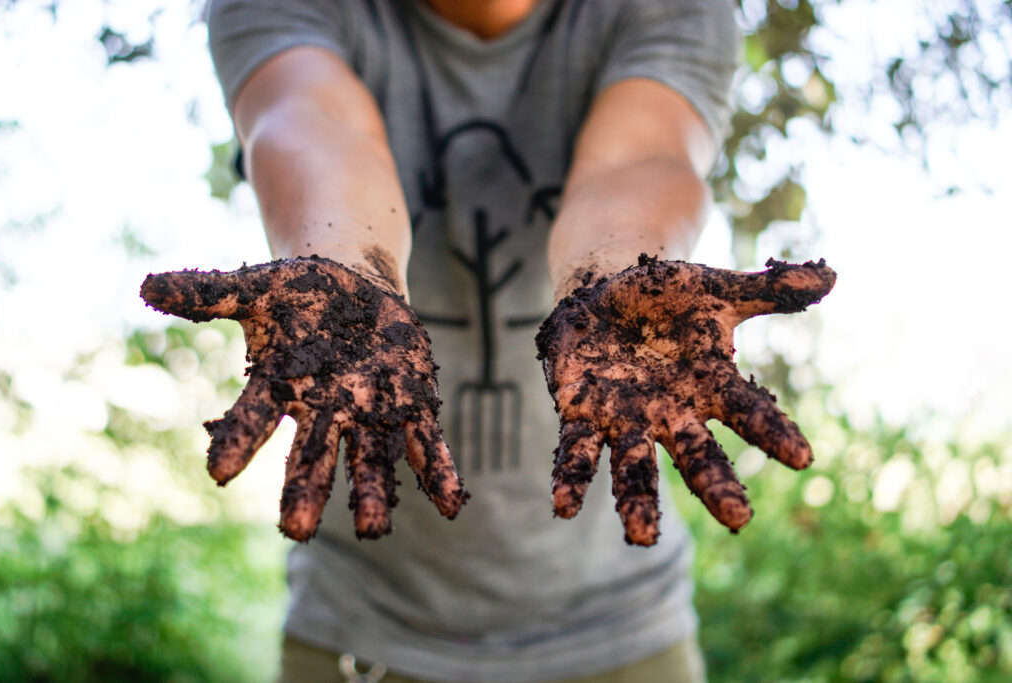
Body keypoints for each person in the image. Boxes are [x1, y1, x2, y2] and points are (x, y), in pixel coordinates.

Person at [141, 1, 835, 681]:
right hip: (366, 639)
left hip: (623, 641)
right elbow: (311, 123)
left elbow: (645, 154)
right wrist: (349, 265)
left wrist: (619, 274)